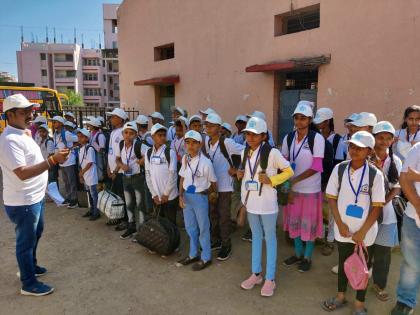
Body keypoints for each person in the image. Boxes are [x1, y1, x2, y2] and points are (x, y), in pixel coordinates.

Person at [0, 94, 68, 296]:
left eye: (31, 110)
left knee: (35, 234)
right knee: (26, 241)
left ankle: (31, 265)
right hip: (24, 201)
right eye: (24, 112)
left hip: (34, 197)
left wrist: (52, 159)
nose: (30, 115)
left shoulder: (23, 134)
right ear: (10, 115)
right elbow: (21, 173)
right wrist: (52, 161)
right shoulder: (9, 140)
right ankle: (28, 283)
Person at [322, 131, 385, 315]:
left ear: (369, 151)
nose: (354, 150)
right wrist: (340, 224)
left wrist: (363, 232)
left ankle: (359, 303)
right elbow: (332, 198)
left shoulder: (375, 174)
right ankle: (341, 295)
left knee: (363, 267)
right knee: (343, 262)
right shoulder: (339, 169)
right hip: (344, 230)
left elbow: (377, 206)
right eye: (352, 146)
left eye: (359, 147)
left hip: (366, 233)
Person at [238, 117, 293, 297]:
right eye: (248, 134)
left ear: (263, 135)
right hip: (251, 202)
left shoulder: (272, 153)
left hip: (268, 204)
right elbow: (247, 176)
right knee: (256, 237)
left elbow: (289, 171)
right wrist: (243, 200)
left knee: (270, 238)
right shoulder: (245, 151)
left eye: (255, 134)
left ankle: (270, 278)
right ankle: (256, 274)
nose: (250, 137)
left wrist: (272, 180)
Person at [281, 102, 324, 272]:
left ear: (309, 120)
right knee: (295, 223)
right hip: (293, 189)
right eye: (297, 118)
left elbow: (317, 167)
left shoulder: (316, 138)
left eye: (303, 118)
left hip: (310, 190)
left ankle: (307, 257)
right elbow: (283, 163)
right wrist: (287, 184)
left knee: (309, 225)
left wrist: (294, 180)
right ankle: (298, 254)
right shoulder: (288, 138)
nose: (299, 121)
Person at [204, 113, 245, 260]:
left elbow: (246, 150)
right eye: (207, 125)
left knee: (224, 217)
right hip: (213, 187)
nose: (208, 128)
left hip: (226, 187)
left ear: (219, 128)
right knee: (213, 215)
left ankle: (226, 245)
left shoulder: (226, 143)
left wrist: (239, 170)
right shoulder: (208, 143)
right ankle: (217, 241)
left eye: (211, 125)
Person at [369, 121, 402, 301]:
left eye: (388, 139)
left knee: (382, 253)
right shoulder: (365, 158)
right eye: (380, 138)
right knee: (365, 249)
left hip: (386, 215)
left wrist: (382, 203)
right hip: (367, 214)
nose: (384, 142)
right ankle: (359, 280)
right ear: (374, 138)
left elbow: (397, 188)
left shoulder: (395, 160)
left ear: (392, 141)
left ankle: (379, 285)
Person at [177, 130, 217, 271]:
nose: (191, 145)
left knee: (203, 228)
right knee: (190, 227)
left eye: (194, 143)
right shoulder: (185, 159)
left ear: (200, 144)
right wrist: (180, 195)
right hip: (187, 196)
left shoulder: (206, 162)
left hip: (200, 197)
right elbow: (182, 177)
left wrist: (212, 194)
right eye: (188, 142)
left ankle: (206, 257)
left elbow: (213, 182)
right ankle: (193, 254)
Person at [391, 142, 420, 315]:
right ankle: (405, 301)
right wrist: (417, 204)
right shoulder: (417, 149)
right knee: (410, 263)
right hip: (413, 216)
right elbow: (404, 177)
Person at [314, 107, 342, 256]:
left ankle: (330, 240)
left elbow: (337, 163)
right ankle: (319, 235)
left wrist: (331, 184)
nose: (319, 124)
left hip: (330, 181)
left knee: (331, 212)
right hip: (315, 180)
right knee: (318, 210)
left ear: (328, 121)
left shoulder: (337, 140)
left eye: (322, 121)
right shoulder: (314, 137)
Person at [116, 122, 150, 238]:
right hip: (126, 178)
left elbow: (151, 152)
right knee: (129, 204)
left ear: (135, 135)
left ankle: (141, 231)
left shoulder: (139, 145)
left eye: (131, 133)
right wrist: (121, 165)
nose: (128, 135)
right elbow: (117, 159)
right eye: (126, 132)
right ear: (122, 133)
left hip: (138, 178)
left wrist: (143, 160)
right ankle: (131, 227)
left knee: (140, 205)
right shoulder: (120, 144)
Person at [145, 123, 179, 225]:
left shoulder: (170, 152)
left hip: (170, 196)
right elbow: (148, 174)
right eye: (159, 135)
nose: (163, 137)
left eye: (164, 135)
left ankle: (173, 241)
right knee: (160, 223)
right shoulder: (148, 152)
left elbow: (173, 175)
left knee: (171, 223)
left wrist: (166, 194)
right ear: (152, 137)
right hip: (156, 197)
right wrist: (154, 194)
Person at [105, 108, 128, 228]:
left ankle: (125, 220)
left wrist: (115, 170)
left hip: (119, 171)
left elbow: (122, 155)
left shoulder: (123, 132)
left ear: (120, 119)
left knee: (122, 196)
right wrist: (109, 167)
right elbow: (111, 152)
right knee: (115, 196)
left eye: (113, 117)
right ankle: (117, 217)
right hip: (112, 170)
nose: (111, 119)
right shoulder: (113, 132)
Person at [51, 116, 79, 208]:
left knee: (71, 181)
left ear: (61, 123)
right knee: (66, 181)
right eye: (53, 122)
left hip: (69, 161)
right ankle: (69, 197)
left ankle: (74, 200)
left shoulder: (66, 134)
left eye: (55, 122)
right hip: (61, 161)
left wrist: (72, 147)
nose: (53, 123)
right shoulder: (55, 134)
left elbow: (79, 139)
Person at [77, 128, 100, 221]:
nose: (79, 139)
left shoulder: (89, 148)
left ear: (87, 138)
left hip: (91, 176)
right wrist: (82, 175)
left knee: (94, 195)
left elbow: (90, 163)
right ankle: (91, 210)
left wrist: (82, 172)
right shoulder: (81, 149)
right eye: (78, 137)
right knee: (89, 194)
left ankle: (96, 212)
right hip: (86, 176)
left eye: (82, 137)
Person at [86, 117, 106, 183]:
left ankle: (101, 182)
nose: (88, 126)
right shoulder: (91, 134)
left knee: (99, 169)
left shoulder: (100, 136)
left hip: (98, 156)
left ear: (94, 126)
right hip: (93, 155)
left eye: (90, 125)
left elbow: (102, 150)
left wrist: (94, 144)